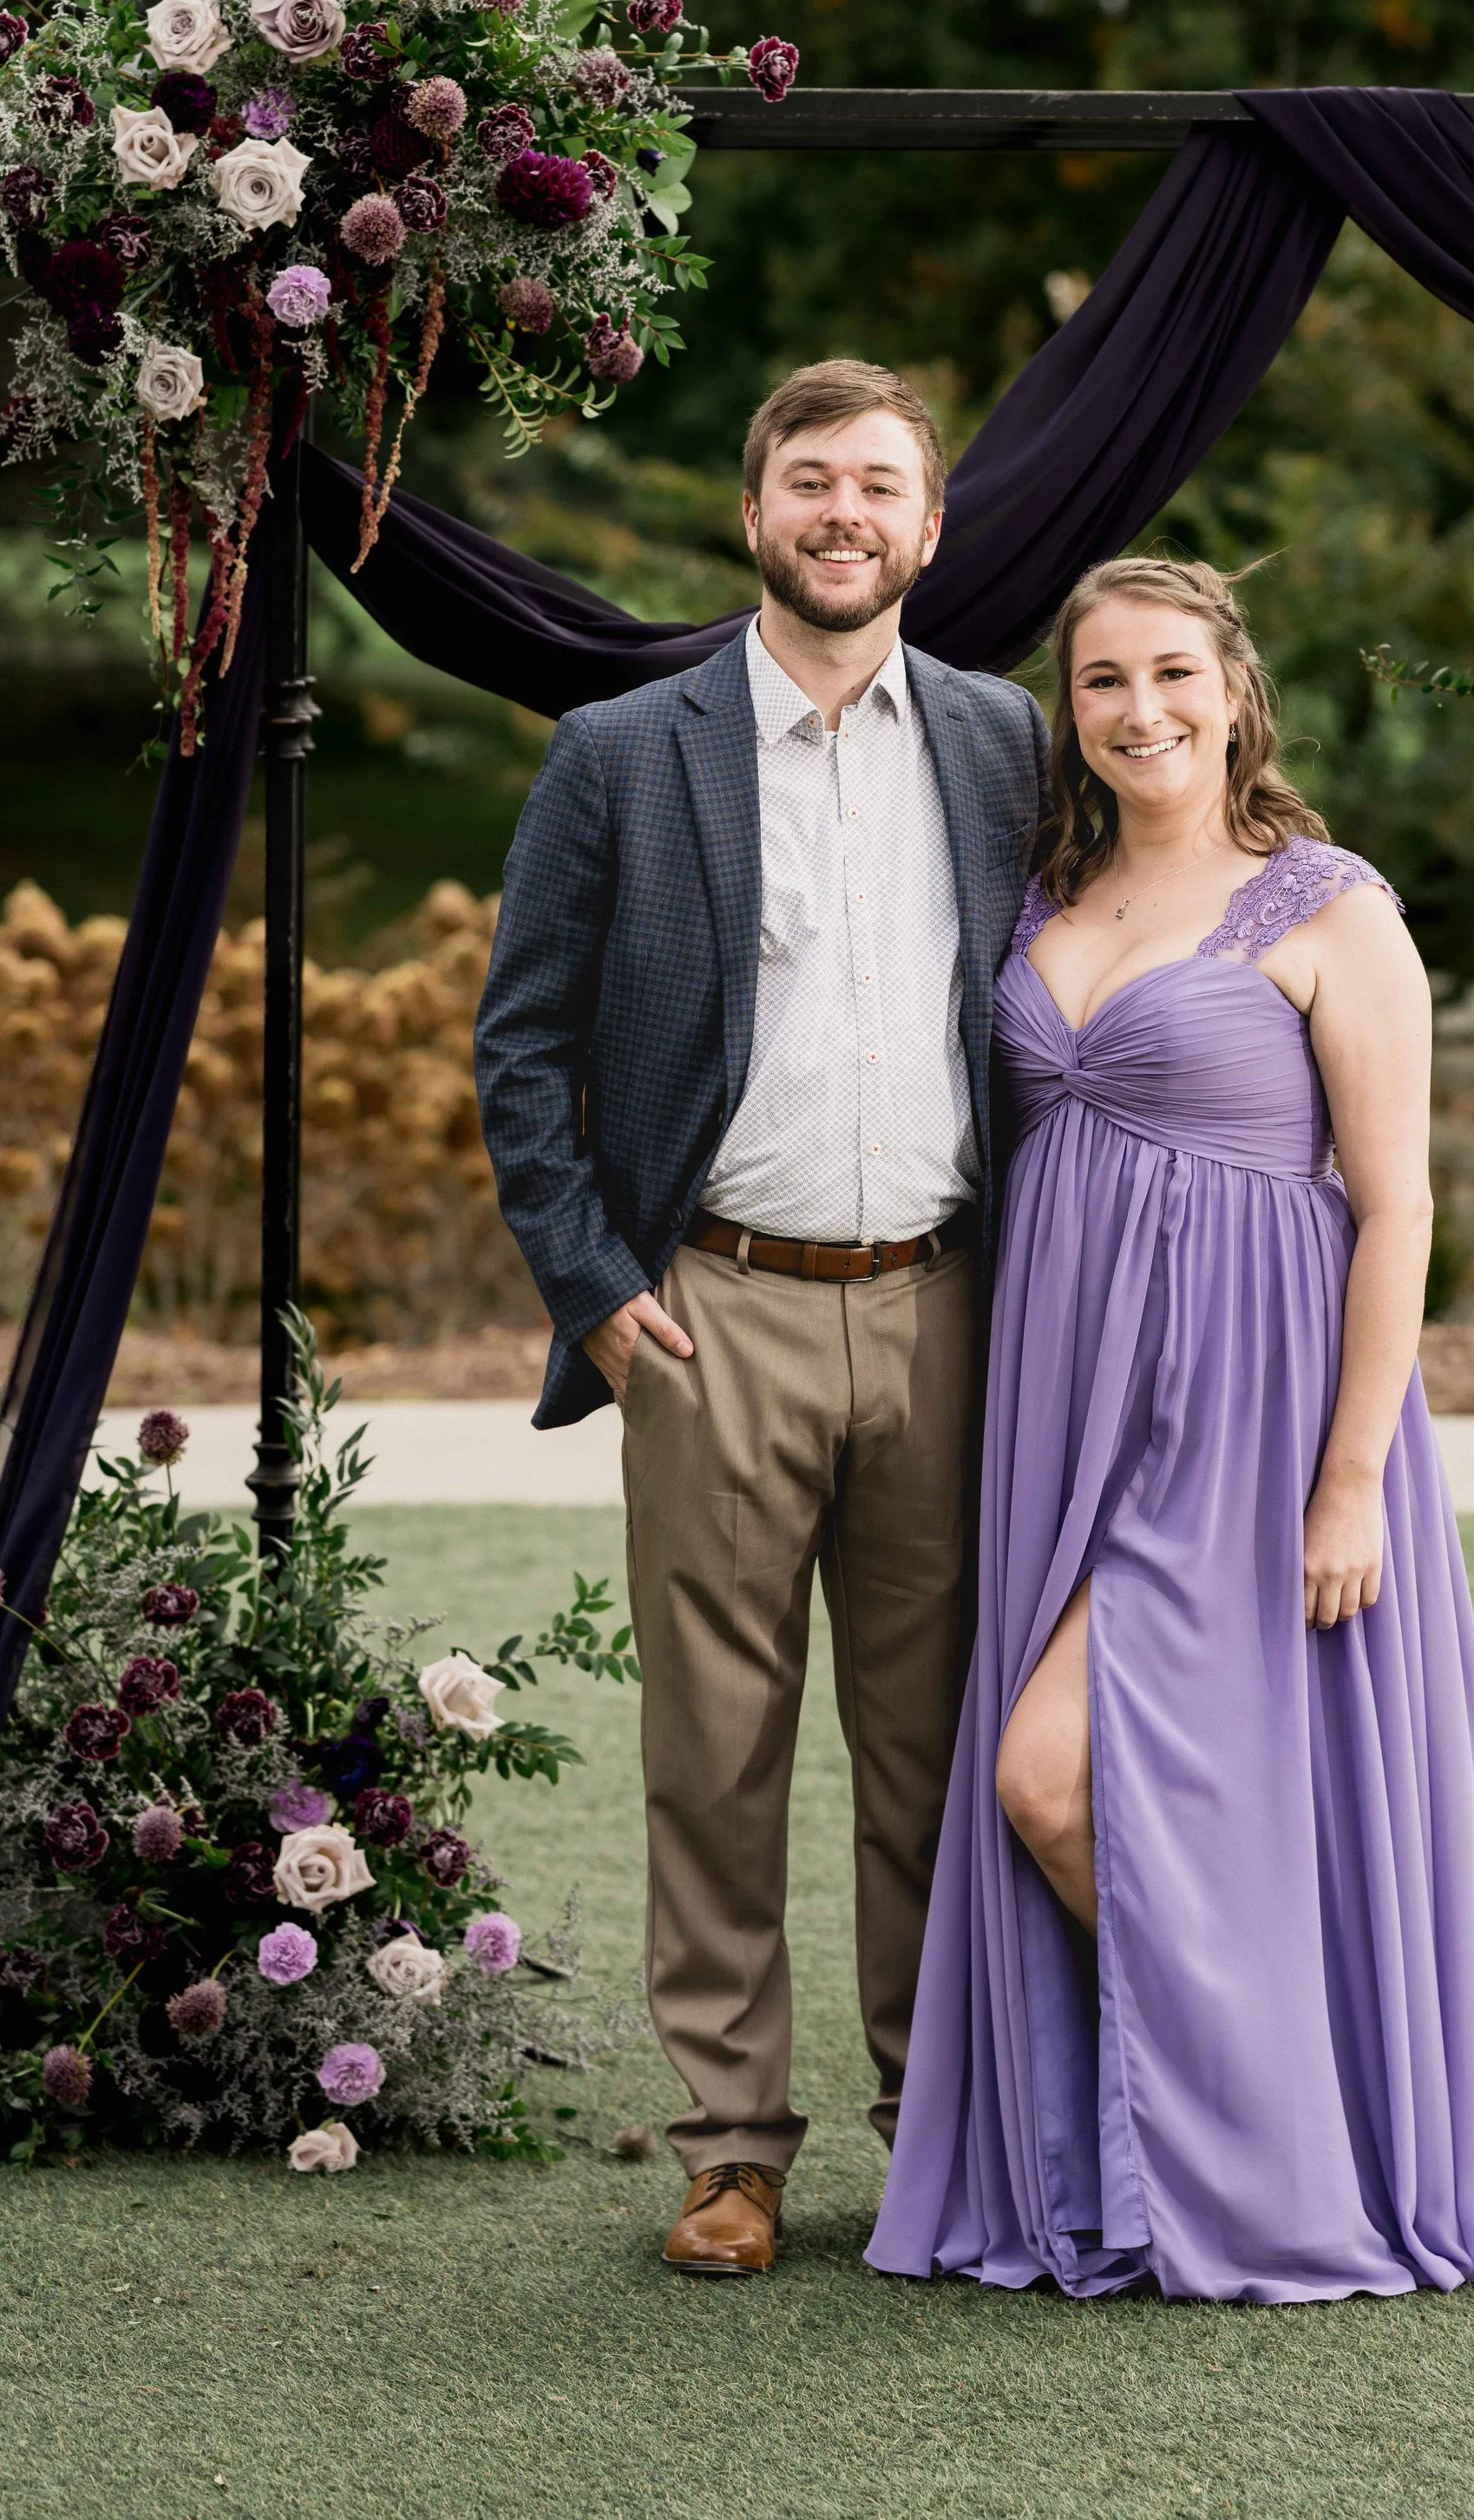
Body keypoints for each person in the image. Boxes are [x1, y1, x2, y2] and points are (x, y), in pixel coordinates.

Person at [867, 556, 1474, 2302]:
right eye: (1100, 682)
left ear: (1235, 692)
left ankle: (1268, 2129)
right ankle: (1218, 2118)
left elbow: (1393, 1210)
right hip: (1062, 1406)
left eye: (1170, 673)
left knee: (1050, 1776)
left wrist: (1347, 1481)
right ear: (1070, 713)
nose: (1139, 710)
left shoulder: (1325, 907)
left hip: (1252, 1411)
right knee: (1133, 1785)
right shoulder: (1041, 891)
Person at [474, 359, 1046, 2279]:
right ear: (753, 515)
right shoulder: (619, 754)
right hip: (711, 1309)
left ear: (928, 528)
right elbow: (522, 1048)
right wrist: (596, 1289)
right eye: (809, 480)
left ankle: (937, 2128)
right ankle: (730, 2151)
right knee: (714, 1750)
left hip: (946, 1310)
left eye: (878, 484)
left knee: (932, 1748)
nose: (842, 513)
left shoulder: (998, 745)